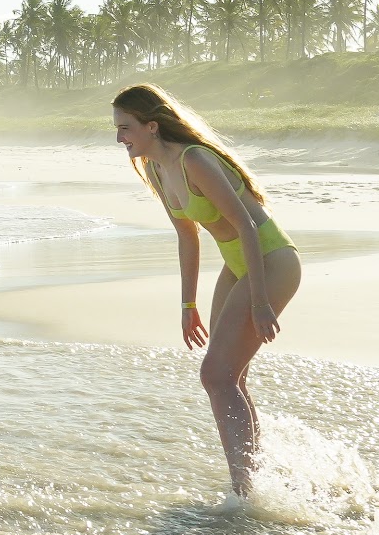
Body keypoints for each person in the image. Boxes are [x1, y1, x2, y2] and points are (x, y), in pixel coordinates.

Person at [112, 83, 302, 497]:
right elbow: (188, 237)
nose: (119, 137)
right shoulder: (157, 170)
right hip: (239, 266)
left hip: (270, 259)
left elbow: (247, 226)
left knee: (215, 374)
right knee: (230, 376)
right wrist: (187, 305)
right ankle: (256, 479)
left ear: (152, 126)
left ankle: (244, 490)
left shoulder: (194, 159)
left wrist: (260, 302)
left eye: (125, 127)